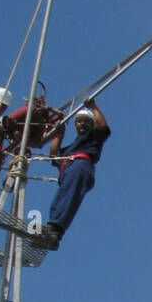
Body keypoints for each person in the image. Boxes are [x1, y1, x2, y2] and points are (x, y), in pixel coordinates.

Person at [44, 99, 110, 247]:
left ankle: (56, 229)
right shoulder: (71, 147)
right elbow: (54, 157)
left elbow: (102, 126)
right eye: (79, 121)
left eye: (86, 121)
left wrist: (93, 107)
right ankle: (51, 230)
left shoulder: (93, 138)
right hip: (68, 169)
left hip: (80, 165)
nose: (82, 124)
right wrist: (58, 136)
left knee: (69, 197)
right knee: (59, 200)